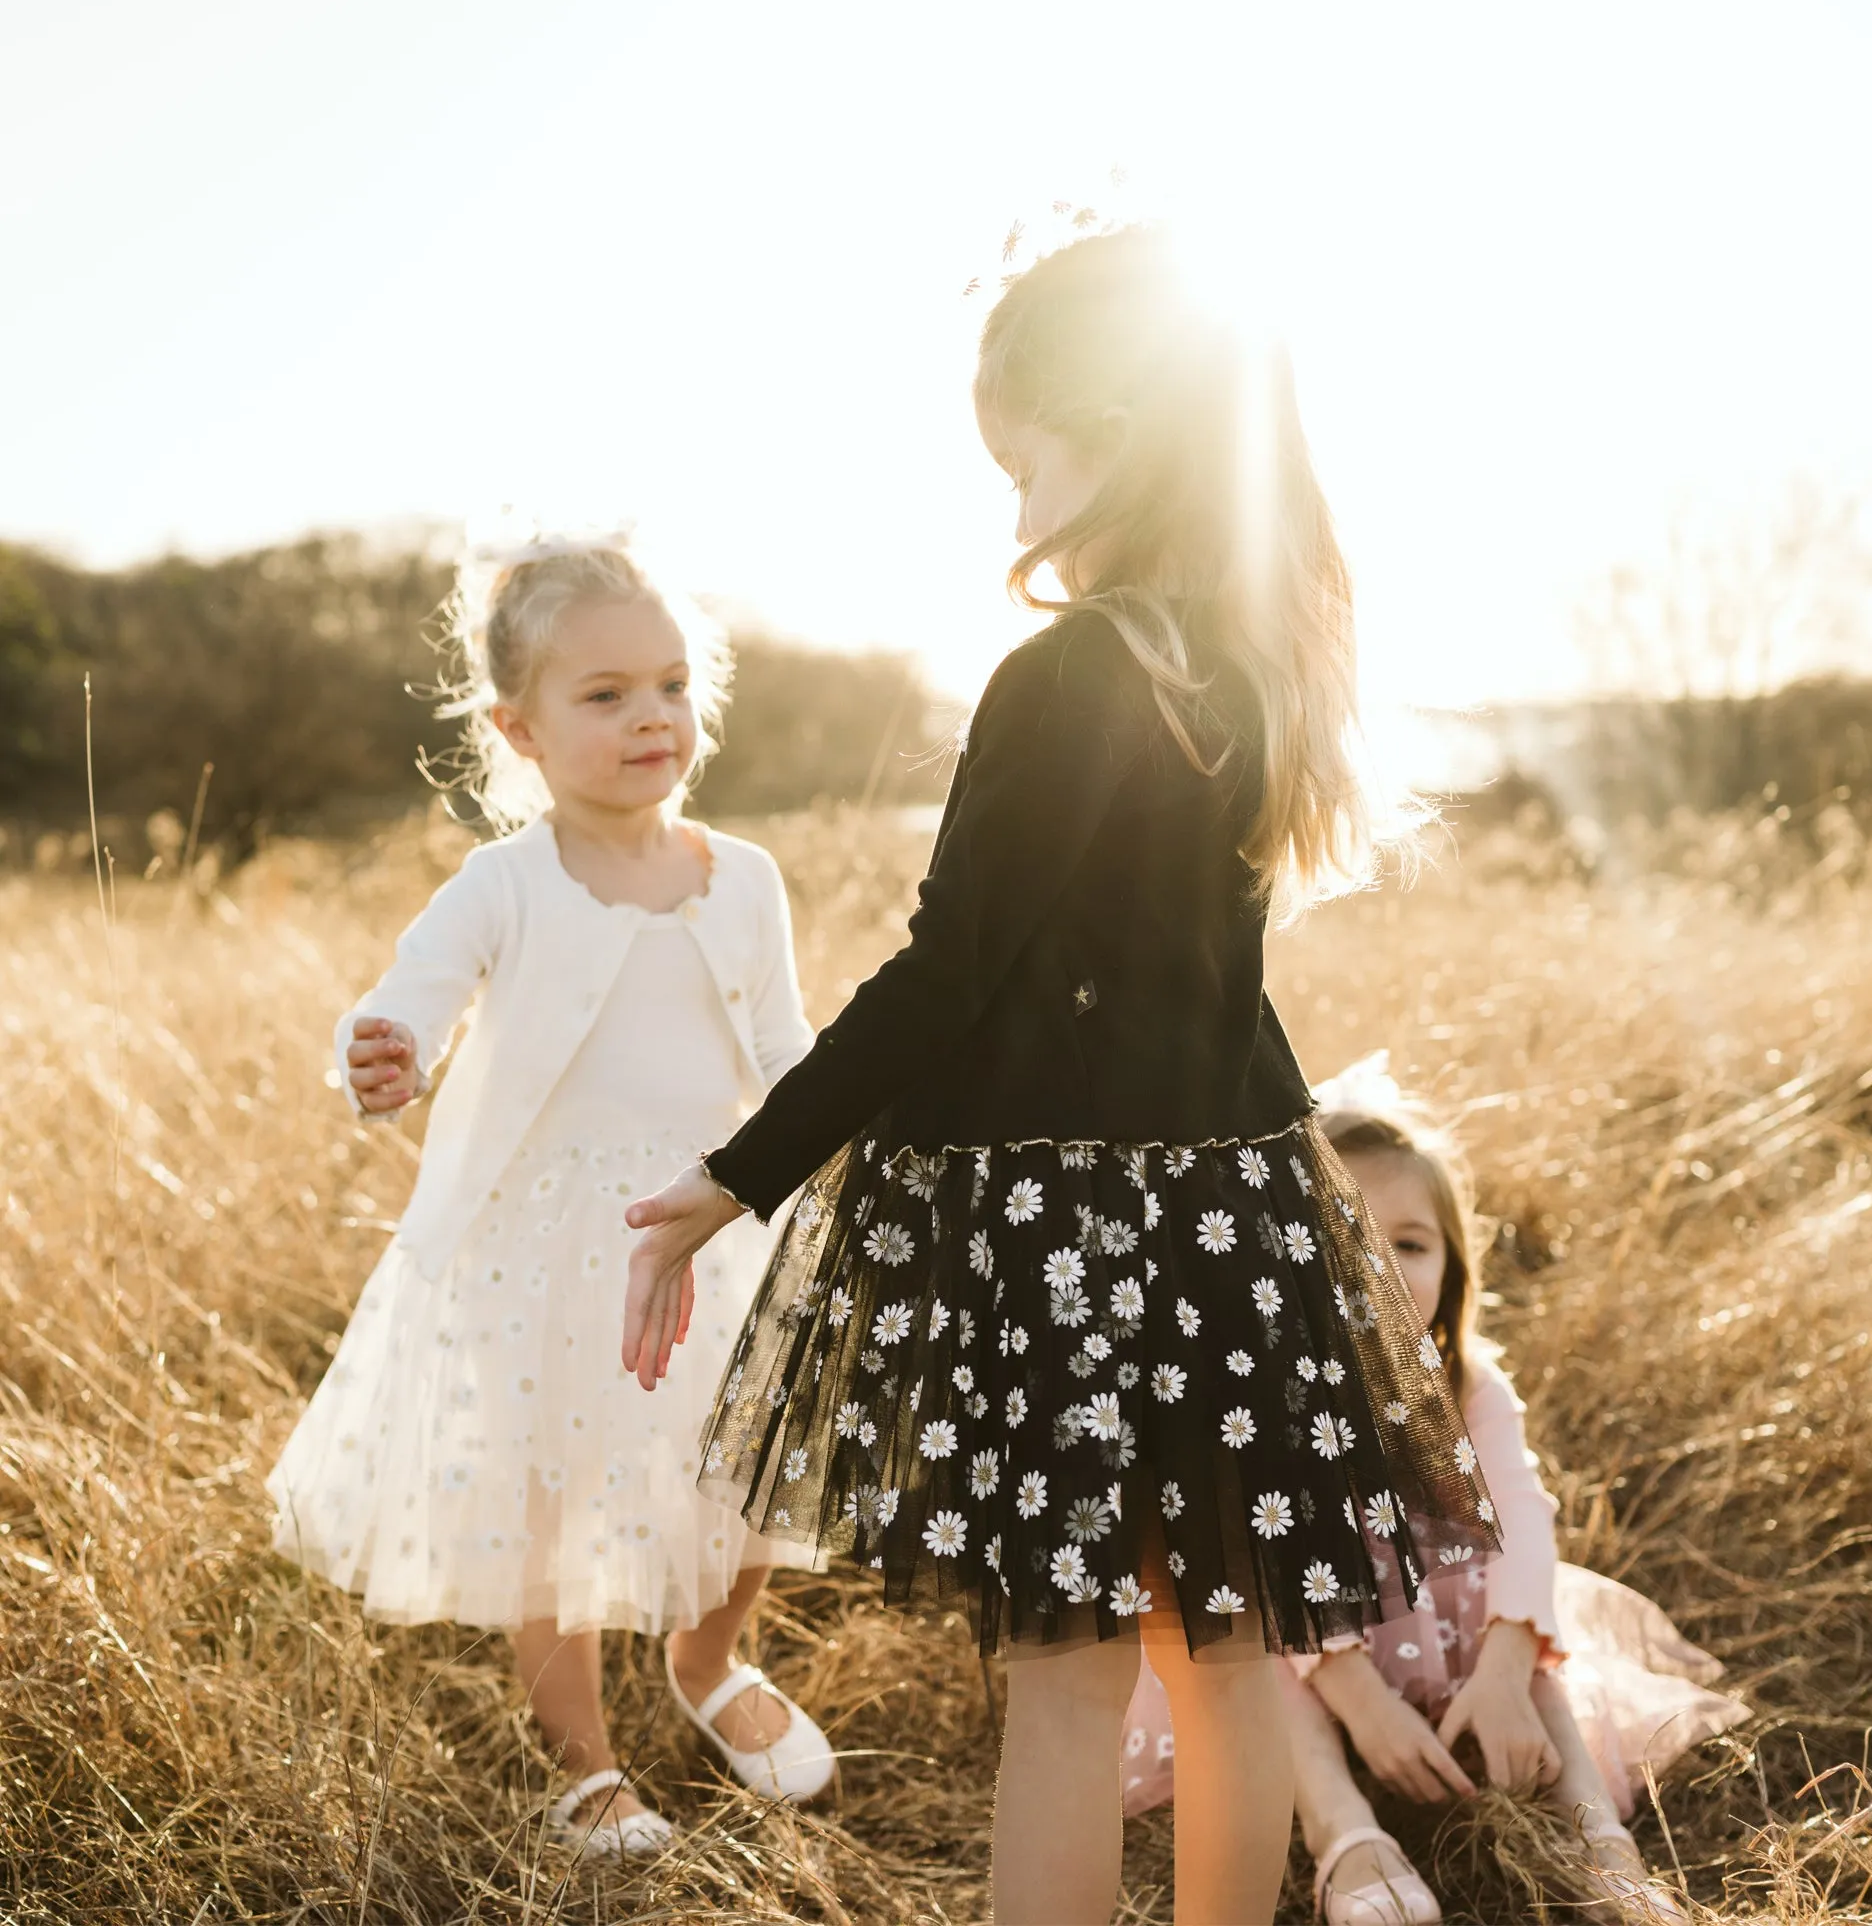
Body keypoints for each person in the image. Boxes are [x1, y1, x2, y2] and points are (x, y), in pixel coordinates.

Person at [615, 227, 1499, 1925]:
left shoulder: (1066, 675)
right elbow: (1212, 996)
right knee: (1227, 1658)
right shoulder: (1248, 675)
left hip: (1064, 1242)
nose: (1011, 508)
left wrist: (734, 1171)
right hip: (1232, 1232)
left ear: (1110, 430)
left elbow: (948, 973)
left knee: (1073, 1679)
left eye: (1021, 462)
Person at [266, 529, 836, 1859]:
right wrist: (386, 1051)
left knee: (742, 1473)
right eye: (605, 695)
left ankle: (710, 1666)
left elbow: (787, 1052)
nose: (652, 716)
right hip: (544, 1253)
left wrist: (837, 1145)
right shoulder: (503, 883)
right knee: (555, 1510)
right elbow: (411, 999)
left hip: (712, 1228)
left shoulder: (741, 879)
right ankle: (584, 1763)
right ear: (517, 728)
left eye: (673, 684)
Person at [1121, 1055, 1747, 1923]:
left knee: (1539, 1667)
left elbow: (1523, 1518)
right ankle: (1345, 1838)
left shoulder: (1470, 1387)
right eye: (1345, 1242)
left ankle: (1605, 1851)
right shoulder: (1262, 1393)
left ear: (1453, 1269)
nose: (1379, 1269)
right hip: (1314, 1644)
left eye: (1409, 1245)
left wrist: (1502, 1665)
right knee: (1253, 1663)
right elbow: (1265, 1566)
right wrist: (1357, 1698)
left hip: (1447, 1634)